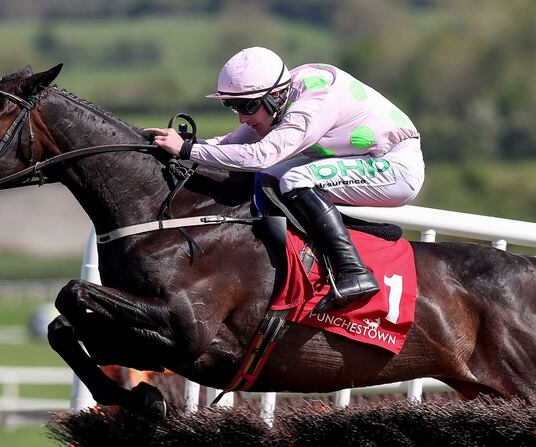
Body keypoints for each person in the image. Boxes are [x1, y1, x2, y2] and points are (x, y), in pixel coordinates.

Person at [147, 47, 425, 313]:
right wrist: (185, 145)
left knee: (294, 178)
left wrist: (187, 150)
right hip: (363, 159)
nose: (243, 118)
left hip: (395, 165)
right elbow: (233, 145)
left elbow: (259, 155)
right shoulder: (280, 97)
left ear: (276, 95)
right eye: (234, 107)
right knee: (267, 180)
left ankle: (354, 270)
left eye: (248, 106)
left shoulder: (313, 103)